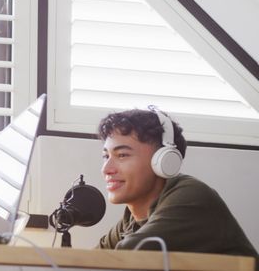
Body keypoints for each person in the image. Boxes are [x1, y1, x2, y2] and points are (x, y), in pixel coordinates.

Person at [96, 108, 258, 268]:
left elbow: (122, 259)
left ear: (164, 160)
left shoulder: (192, 197)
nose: (106, 169)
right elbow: (90, 261)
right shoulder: (132, 220)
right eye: (106, 156)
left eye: (122, 155)